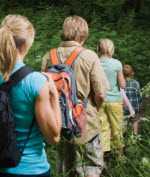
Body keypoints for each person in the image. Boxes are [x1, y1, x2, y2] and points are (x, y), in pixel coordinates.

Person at [42, 16, 109, 177]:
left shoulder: (48, 56)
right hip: (86, 122)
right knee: (91, 166)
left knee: (65, 166)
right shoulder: (89, 56)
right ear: (83, 35)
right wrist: (95, 109)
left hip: (60, 122)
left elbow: (43, 91)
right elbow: (101, 92)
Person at [0, 15, 61, 177]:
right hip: (31, 167)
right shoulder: (36, 81)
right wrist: (54, 95)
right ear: (27, 43)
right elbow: (54, 137)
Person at [97, 38, 126, 154]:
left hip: (99, 100)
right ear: (111, 49)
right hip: (114, 101)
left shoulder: (95, 62)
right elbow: (122, 84)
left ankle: (103, 158)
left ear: (98, 49)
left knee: (103, 129)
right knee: (117, 129)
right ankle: (119, 157)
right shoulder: (116, 63)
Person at [123, 64, 142, 135]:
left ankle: (123, 137)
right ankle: (135, 136)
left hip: (123, 109)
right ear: (132, 73)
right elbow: (139, 97)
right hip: (134, 108)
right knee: (135, 121)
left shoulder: (119, 83)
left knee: (123, 124)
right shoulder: (136, 83)